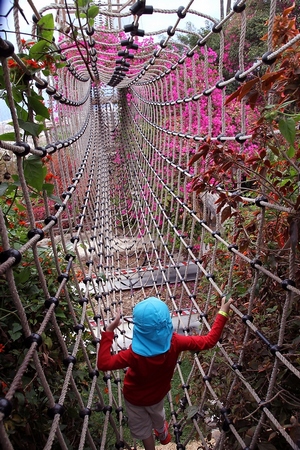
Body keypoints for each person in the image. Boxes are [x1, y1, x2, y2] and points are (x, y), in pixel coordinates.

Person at [97, 296, 233, 450]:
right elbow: (209, 341)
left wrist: (109, 331)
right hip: (157, 396)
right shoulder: (176, 342)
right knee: (158, 416)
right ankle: (162, 433)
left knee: (144, 430)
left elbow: (103, 363)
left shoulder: (132, 354)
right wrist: (222, 313)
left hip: (134, 398)